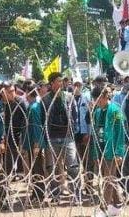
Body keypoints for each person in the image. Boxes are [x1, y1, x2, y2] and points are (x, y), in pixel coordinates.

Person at [41, 71, 81, 204]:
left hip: (67, 137)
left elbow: (75, 116)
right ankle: (55, 195)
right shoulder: (45, 99)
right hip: (52, 137)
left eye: (62, 81)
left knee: (73, 166)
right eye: (58, 81)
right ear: (52, 83)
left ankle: (77, 194)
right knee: (52, 168)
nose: (61, 83)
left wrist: (73, 130)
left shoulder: (69, 97)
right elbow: (43, 120)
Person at [90, 84, 125, 217]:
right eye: (95, 100)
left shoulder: (115, 111)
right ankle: (117, 205)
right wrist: (96, 153)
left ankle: (103, 208)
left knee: (108, 180)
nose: (97, 102)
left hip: (112, 150)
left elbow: (120, 133)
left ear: (106, 96)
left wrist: (119, 153)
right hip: (101, 148)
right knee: (109, 178)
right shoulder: (97, 111)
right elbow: (95, 133)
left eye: (99, 99)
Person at [112, 75, 129, 194]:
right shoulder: (117, 97)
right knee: (125, 161)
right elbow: (115, 112)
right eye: (125, 81)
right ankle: (127, 188)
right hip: (124, 133)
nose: (127, 83)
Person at [22, 83, 46, 204]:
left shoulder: (35, 107)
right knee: (34, 168)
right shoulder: (32, 105)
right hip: (30, 141)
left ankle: (39, 193)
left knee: (37, 168)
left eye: (26, 92)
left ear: (28, 93)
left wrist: (37, 144)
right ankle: (36, 192)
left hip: (34, 142)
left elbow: (37, 126)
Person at [2, 82, 28, 177]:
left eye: (13, 91)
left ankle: (18, 173)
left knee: (14, 155)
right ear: (4, 92)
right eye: (9, 92)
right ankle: (8, 176)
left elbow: (26, 118)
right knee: (7, 158)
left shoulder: (20, 102)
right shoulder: (1, 103)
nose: (12, 93)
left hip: (17, 134)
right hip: (5, 134)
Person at [72, 80, 93, 195]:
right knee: (75, 162)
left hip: (84, 133)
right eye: (75, 85)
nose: (77, 87)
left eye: (79, 85)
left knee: (87, 161)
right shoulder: (69, 99)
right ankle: (77, 187)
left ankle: (89, 185)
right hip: (73, 134)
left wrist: (88, 133)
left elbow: (90, 117)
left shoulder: (86, 98)